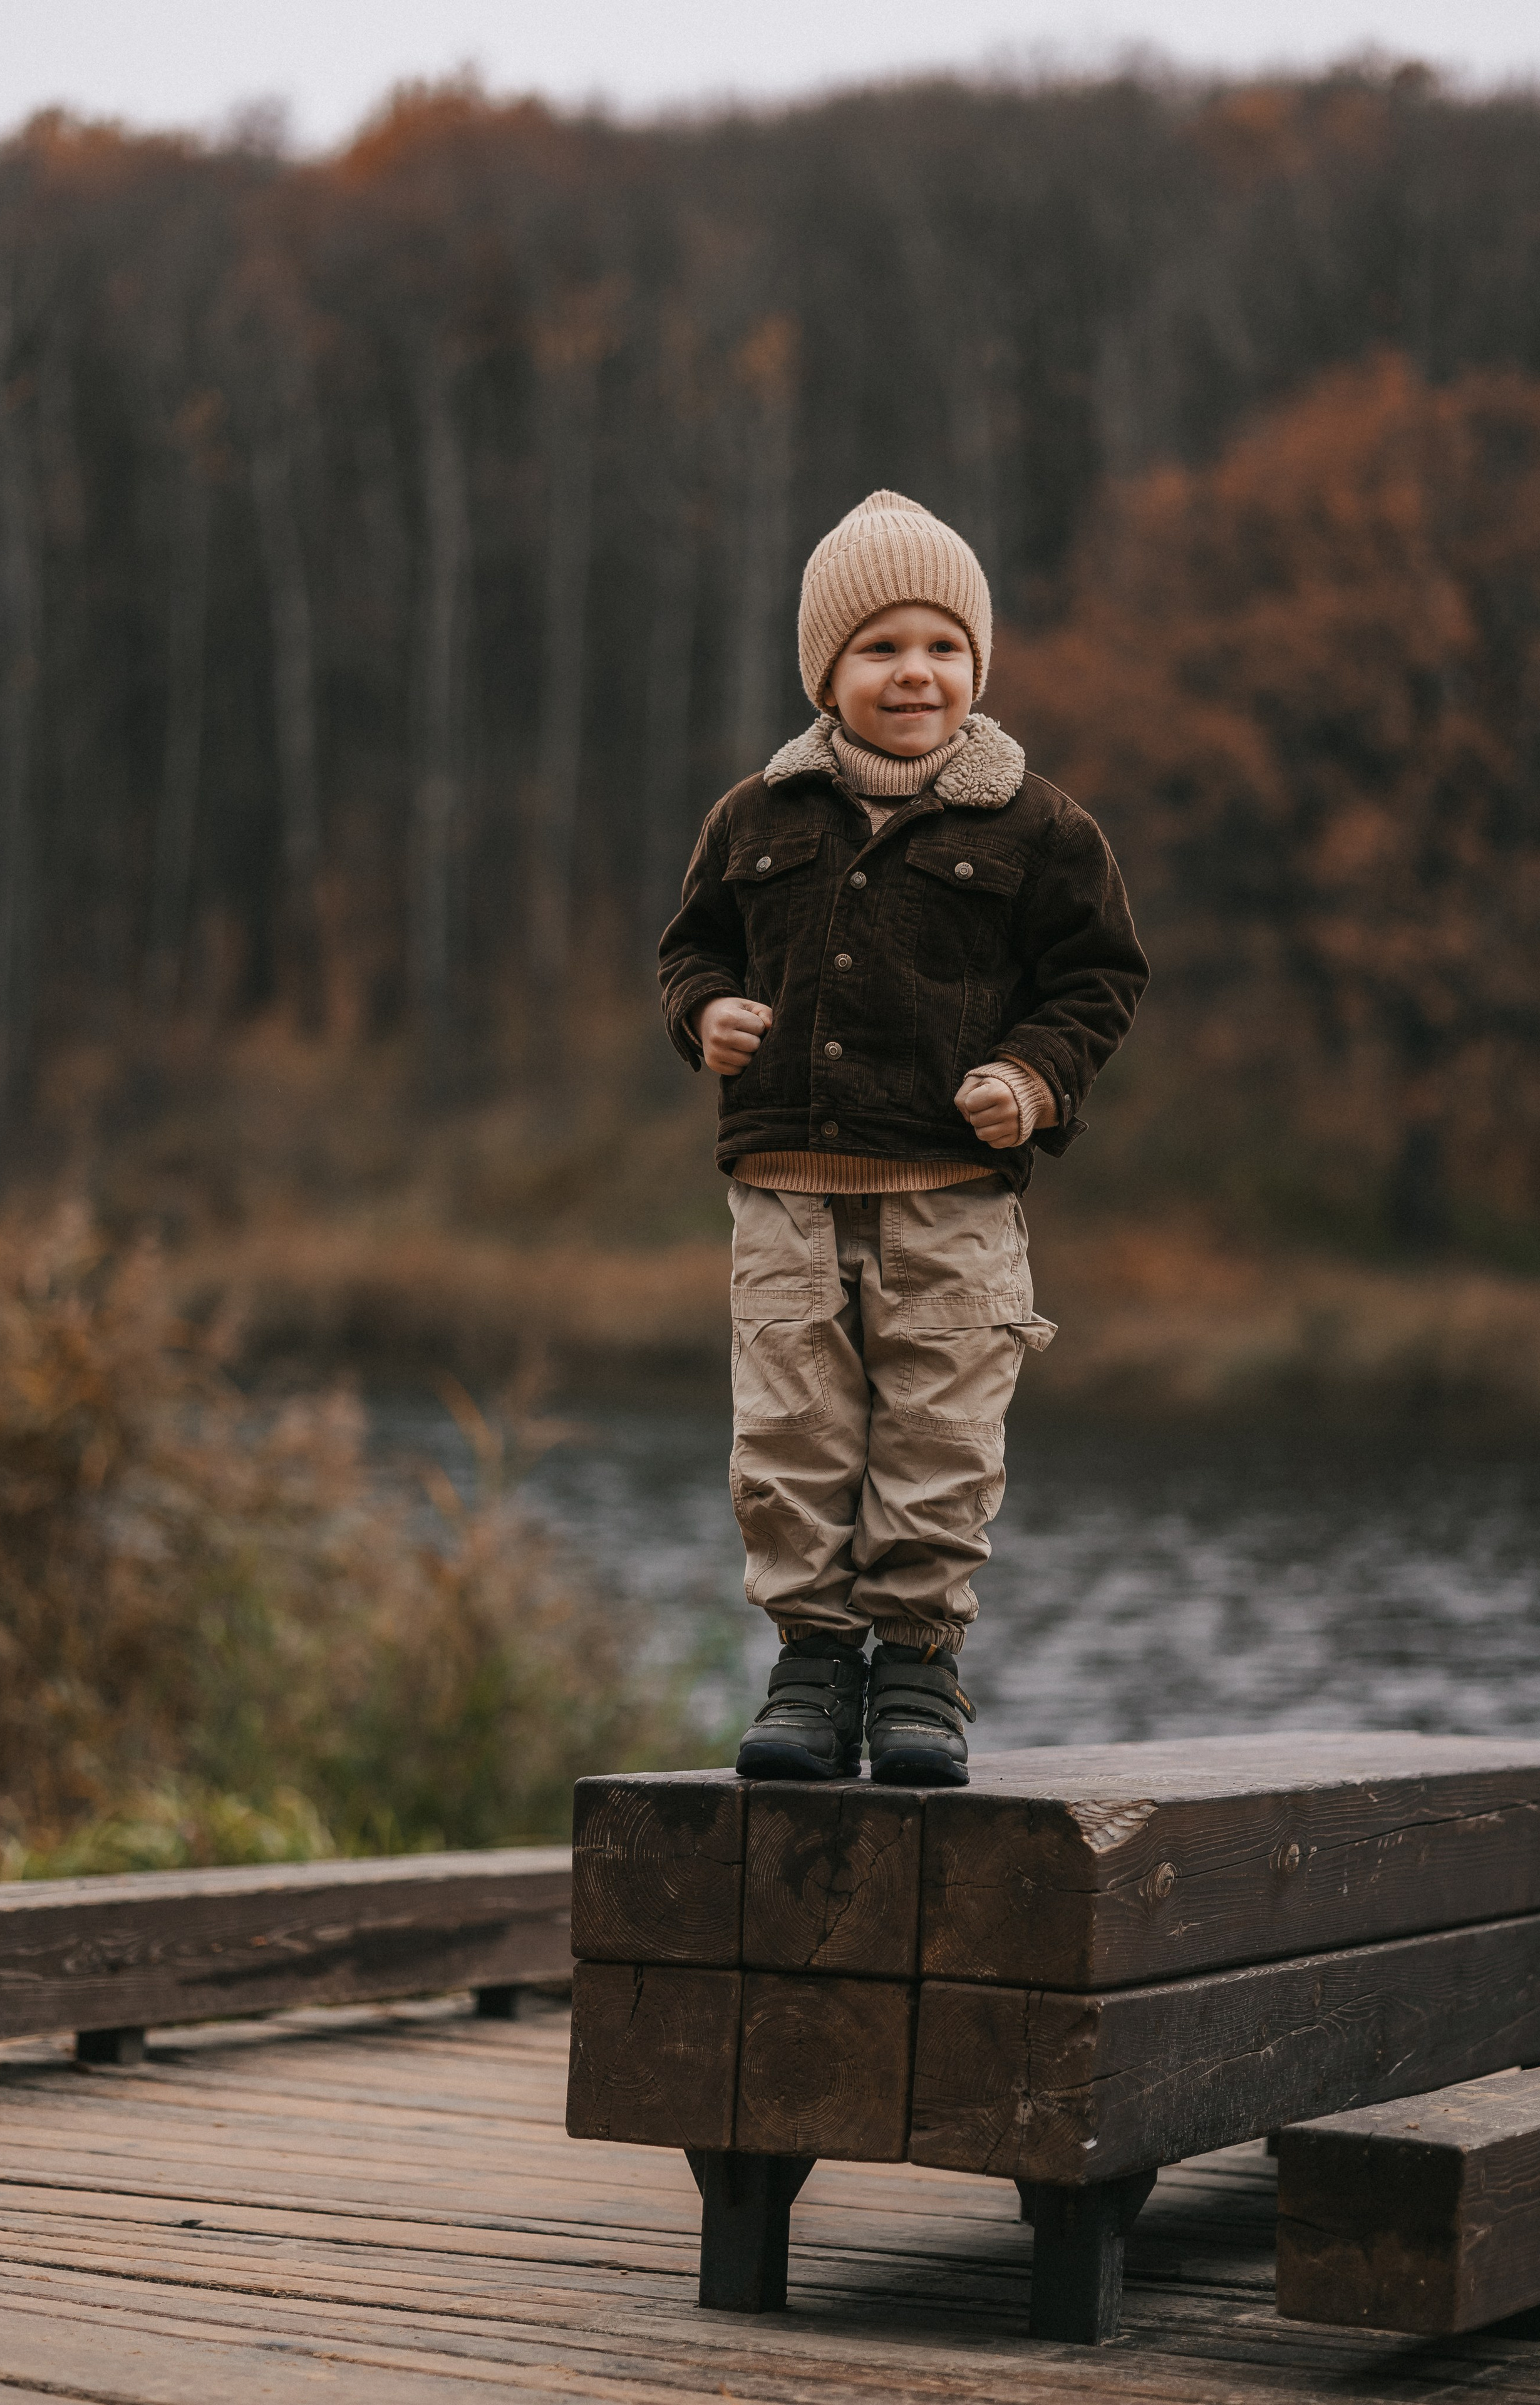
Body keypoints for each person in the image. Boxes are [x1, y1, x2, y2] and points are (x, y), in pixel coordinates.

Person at [658, 490, 1147, 1786]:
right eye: (879, 649)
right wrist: (703, 1011)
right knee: (789, 1439)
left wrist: (1034, 1082)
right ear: (827, 671)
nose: (912, 673)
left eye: (939, 646)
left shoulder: (1035, 826)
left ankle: (918, 1670)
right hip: (784, 1198)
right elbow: (690, 948)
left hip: (952, 1202)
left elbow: (1096, 980)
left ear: (975, 664)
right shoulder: (755, 816)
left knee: (937, 1440)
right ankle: (812, 1669)